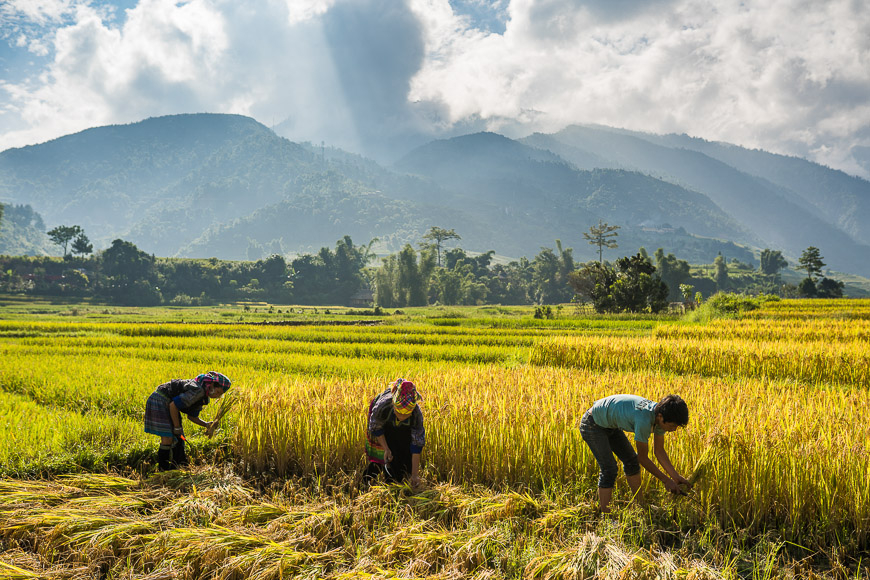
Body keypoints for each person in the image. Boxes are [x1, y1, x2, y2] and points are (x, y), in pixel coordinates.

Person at [579, 393, 690, 513]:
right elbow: (643, 458)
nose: (674, 429)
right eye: (672, 425)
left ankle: (640, 506)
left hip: (610, 425)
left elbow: (659, 451)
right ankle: (606, 513)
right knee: (609, 468)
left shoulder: (660, 419)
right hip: (592, 424)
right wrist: (665, 480)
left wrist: (675, 476)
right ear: (660, 416)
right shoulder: (644, 420)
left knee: (631, 462)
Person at [144, 371, 231, 471]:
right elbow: (173, 405)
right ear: (212, 385)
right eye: (218, 392)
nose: (217, 395)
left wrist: (207, 424)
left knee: (178, 439)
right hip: (160, 400)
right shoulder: (198, 390)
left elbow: (192, 416)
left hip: (168, 404)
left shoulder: (203, 396)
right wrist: (177, 427)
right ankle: (163, 470)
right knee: (168, 439)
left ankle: (175, 468)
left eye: (220, 394)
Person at [364, 378, 425, 487]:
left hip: (403, 429)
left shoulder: (416, 414)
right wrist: (386, 448)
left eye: (405, 415)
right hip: (383, 425)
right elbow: (376, 427)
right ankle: (366, 482)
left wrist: (415, 475)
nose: (402, 417)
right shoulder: (383, 406)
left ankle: (399, 480)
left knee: (404, 454)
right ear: (394, 406)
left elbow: (417, 444)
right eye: (399, 413)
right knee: (381, 457)